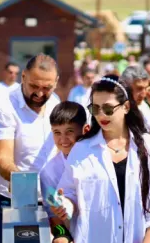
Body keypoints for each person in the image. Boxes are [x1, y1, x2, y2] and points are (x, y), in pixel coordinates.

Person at [51, 77, 150, 243]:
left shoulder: (149, 147)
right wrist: (65, 204)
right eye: (95, 108)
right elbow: (70, 192)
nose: (101, 115)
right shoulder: (81, 149)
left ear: (126, 107)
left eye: (108, 109)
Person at [0, 54, 62, 243]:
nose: (39, 94)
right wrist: (17, 178)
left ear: (56, 82)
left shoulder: (55, 103)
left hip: (50, 202)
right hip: (14, 201)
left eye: (47, 88)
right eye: (34, 86)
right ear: (23, 77)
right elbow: (3, 157)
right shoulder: (5, 105)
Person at [39, 102, 91, 243]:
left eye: (69, 131)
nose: (63, 140)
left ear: (85, 130)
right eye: (57, 133)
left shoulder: (100, 158)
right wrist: (63, 236)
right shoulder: (48, 173)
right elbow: (55, 222)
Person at [119, 66, 150, 144]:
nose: (144, 94)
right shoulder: (115, 108)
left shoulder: (142, 106)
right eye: (139, 88)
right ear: (125, 87)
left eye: (145, 88)